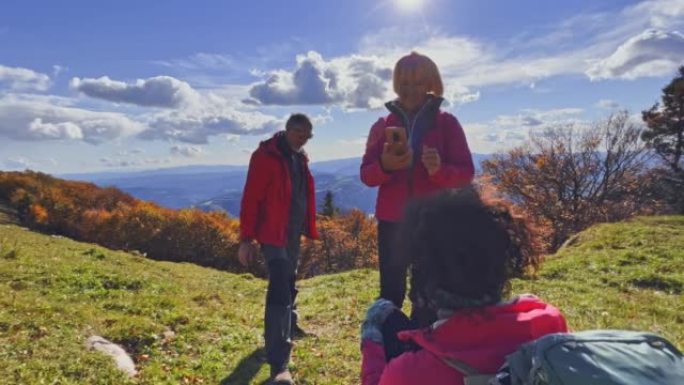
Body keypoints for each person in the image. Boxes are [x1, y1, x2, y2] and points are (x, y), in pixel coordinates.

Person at [359, 188, 568, 385]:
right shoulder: (550, 326)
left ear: (426, 283)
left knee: (384, 318)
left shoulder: (409, 372)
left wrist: (372, 344)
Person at [360, 52, 475, 325]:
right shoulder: (383, 125)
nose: (410, 91)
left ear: (431, 83)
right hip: (393, 222)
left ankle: (421, 353)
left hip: (434, 220)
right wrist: (385, 165)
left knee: (428, 294)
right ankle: (389, 348)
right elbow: (366, 175)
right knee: (391, 292)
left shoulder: (447, 123)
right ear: (396, 85)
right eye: (404, 84)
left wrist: (439, 171)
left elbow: (466, 174)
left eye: (418, 83)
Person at [238, 113, 318, 385]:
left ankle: (290, 326)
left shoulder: (299, 157)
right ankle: (278, 363)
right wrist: (246, 239)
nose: (304, 139)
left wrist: (307, 227)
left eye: (308, 135)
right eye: (299, 133)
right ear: (287, 130)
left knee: (290, 280)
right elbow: (251, 197)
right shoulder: (266, 156)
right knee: (279, 291)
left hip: (292, 233)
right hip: (272, 235)